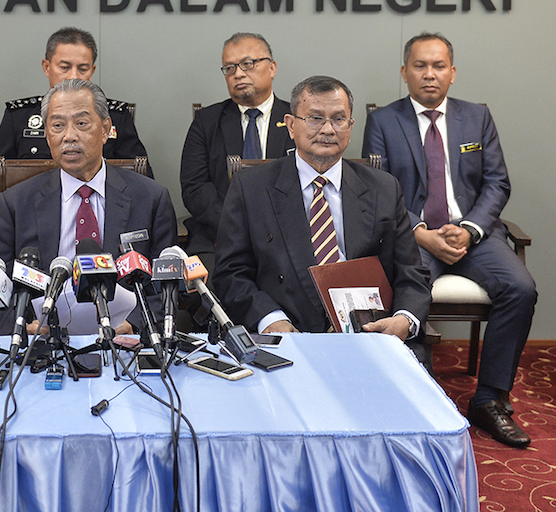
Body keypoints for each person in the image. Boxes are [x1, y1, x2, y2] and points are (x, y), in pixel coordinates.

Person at [363, 32, 537, 448]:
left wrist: (470, 229)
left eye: (438, 66)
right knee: (409, 290)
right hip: (416, 237)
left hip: (474, 235)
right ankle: (419, 392)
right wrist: (421, 234)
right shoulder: (384, 121)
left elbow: (497, 182)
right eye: (420, 66)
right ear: (404, 72)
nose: (429, 74)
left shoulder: (476, 117)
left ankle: (490, 399)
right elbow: (377, 189)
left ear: (453, 73)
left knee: (520, 288)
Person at [213, 75, 432, 367]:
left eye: (339, 119)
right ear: (291, 125)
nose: (328, 129)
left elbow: (412, 273)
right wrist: (270, 319)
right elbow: (230, 273)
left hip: (372, 336)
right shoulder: (251, 188)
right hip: (288, 334)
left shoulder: (384, 188)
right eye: (315, 118)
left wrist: (404, 320)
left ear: (351, 128)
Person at [0, 78, 176, 335]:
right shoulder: (14, 203)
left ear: (106, 129)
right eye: (57, 126)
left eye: (82, 123)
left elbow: (165, 288)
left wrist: (133, 326)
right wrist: (26, 329)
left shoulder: (151, 198)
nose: (69, 136)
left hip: (125, 342)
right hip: (39, 343)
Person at [0, 27, 151, 217]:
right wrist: (2, 230)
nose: (73, 76)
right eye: (64, 67)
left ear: (92, 70)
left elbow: (140, 178)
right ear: (46, 67)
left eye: (82, 68)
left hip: (103, 216)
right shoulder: (19, 116)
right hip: (29, 218)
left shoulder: (115, 116)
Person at [180, 32, 294, 262]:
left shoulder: (297, 120)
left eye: (248, 64)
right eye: (229, 68)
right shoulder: (207, 121)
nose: (238, 74)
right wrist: (236, 223)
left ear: (272, 68)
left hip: (287, 233)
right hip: (220, 233)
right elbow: (195, 188)